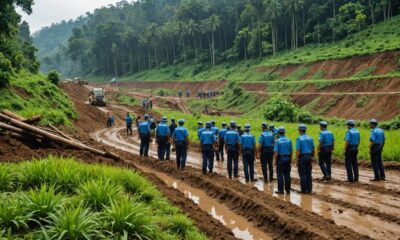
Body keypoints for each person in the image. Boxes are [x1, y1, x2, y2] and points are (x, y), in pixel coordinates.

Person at [296, 124, 315, 194]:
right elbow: (313, 149)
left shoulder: (299, 139)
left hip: (302, 157)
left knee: (303, 174)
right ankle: (309, 189)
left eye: (298, 130)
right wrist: (313, 157)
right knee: (308, 174)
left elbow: (298, 150)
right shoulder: (310, 138)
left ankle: (304, 190)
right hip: (309, 157)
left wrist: (297, 159)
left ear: (300, 130)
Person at [274, 127, 293, 194]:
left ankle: (281, 190)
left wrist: (275, 161)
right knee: (287, 174)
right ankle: (288, 190)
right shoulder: (289, 140)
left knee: (280, 174)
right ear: (284, 132)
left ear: (278, 133)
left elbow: (276, 153)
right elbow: (291, 151)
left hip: (280, 159)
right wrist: (290, 159)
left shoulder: (277, 141)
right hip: (288, 158)